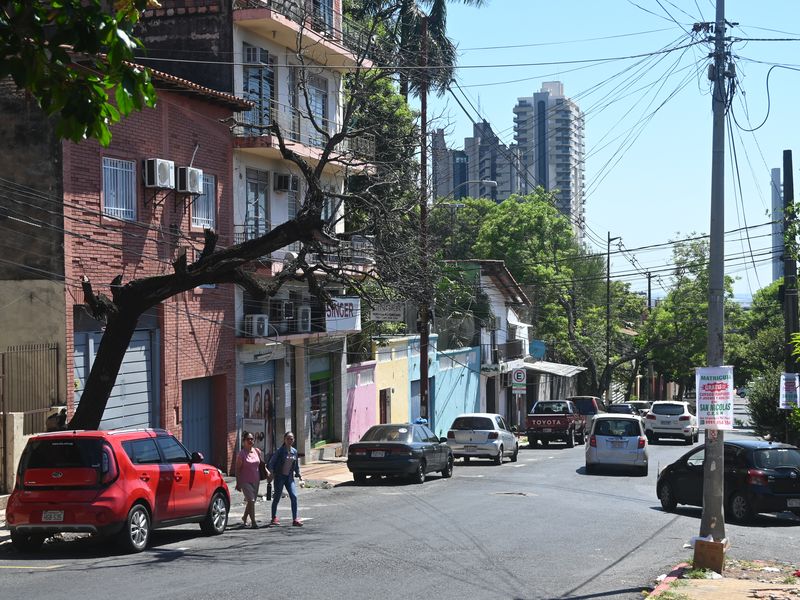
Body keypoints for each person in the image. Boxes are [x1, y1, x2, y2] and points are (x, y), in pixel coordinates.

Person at [268, 431, 303, 527]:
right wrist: (271, 473)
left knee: (294, 496)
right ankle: (273, 517)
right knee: (277, 497)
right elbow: (271, 463)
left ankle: (295, 519)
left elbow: (295, 466)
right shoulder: (280, 451)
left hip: (289, 477)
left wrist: (299, 474)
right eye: (288, 438)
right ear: (284, 439)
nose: (289, 440)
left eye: (291, 439)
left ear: (294, 440)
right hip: (279, 477)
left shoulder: (294, 451)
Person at [235, 431, 269, 528]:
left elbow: (261, 464)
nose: (250, 441)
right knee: (251, 500)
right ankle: (253, 522)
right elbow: (237, 469)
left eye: (251, 439)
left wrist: (267, 471)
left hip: (256, 480)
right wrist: (238, 483)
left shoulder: (257, 451)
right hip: (245, 481)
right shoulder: (241, 454)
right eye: (248, 439)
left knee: (251, 501)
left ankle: (244, 517)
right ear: (244, 441)